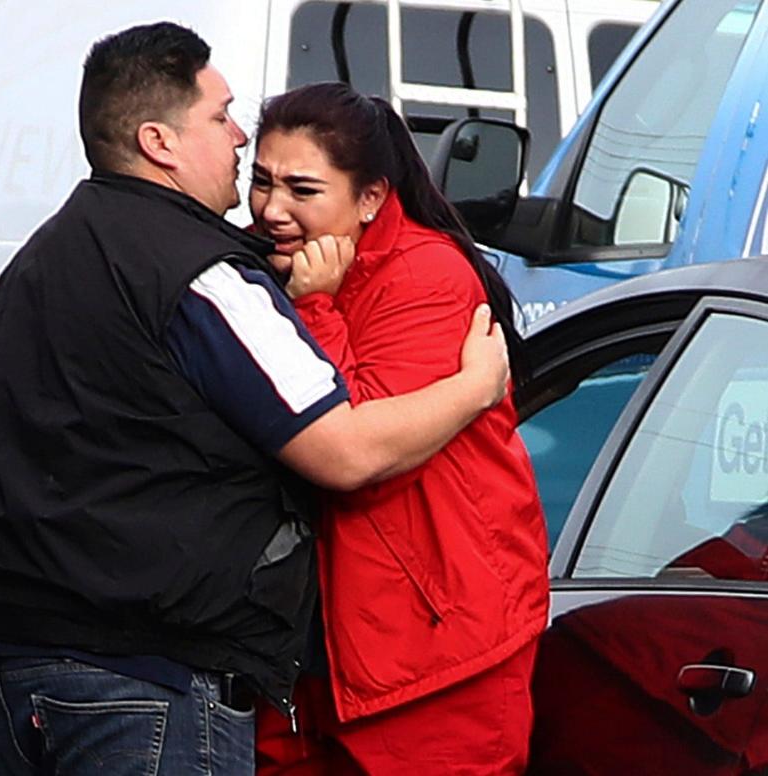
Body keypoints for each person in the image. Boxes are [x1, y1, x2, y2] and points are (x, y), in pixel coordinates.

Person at [0, 23, 510, 776]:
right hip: (143, 669)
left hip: (11, 655)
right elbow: (345, 451)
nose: (237, 138)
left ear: (371, 199)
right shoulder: (202, 273)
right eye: (220, 115)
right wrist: (474, 386)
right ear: (159, 141)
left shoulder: (45, 253)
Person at [248, 82, 549, 775]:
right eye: (259, 181)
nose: (271, 208)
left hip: (434, 657)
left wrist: (316, 311)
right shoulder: (271, 268)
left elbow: (351, 440)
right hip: (320, 653)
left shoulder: (425, 274)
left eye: (301, 189)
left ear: (372, 198)